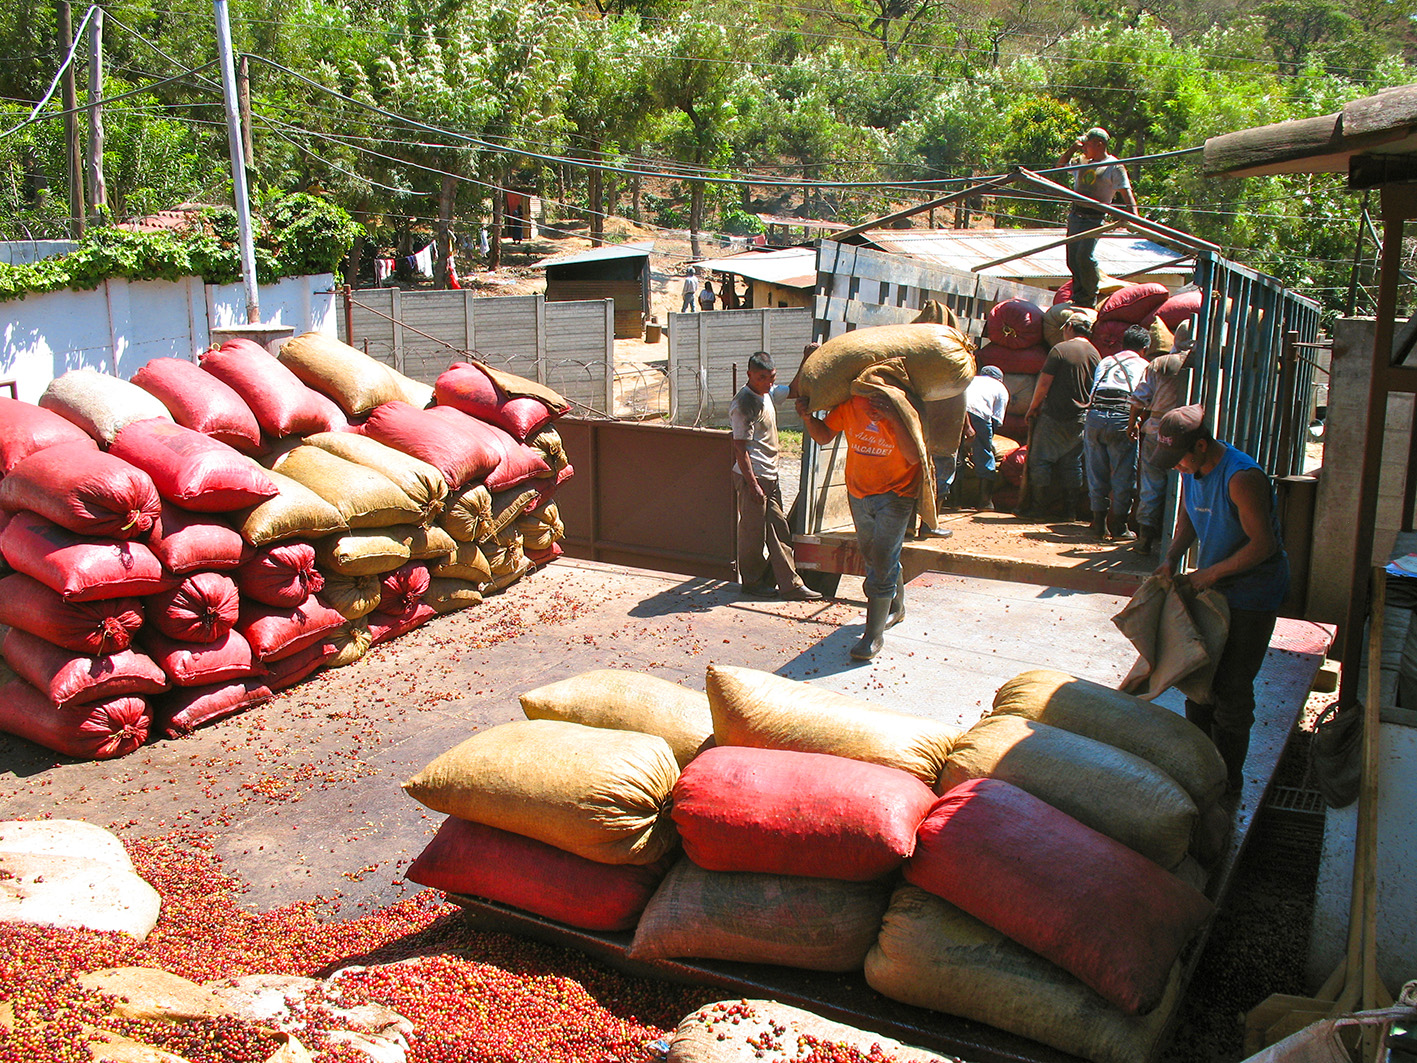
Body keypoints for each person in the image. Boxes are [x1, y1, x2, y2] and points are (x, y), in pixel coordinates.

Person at [1152, 404, 1290, 795]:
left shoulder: (1242, 478)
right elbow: (1188, 519)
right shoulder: (1191, 469)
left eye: (1178, 458)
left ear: (1200, 445)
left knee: (1231, 689)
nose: (1176, 466)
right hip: (1215, 588)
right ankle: (1201, 772)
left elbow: (1264, 546)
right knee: (1199, 681)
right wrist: (1171, 559)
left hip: (1254, 593)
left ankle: (1228, 783)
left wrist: (1208, 574)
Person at [798, 389, 921, 661]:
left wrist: (892, 415)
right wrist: (808, 417)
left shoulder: (902, 405)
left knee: (881, 559)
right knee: (875, 555)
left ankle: (872, 636)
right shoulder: (849, 405)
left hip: (898, 493)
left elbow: (914, 456)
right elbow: (823, 435)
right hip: (859, 491)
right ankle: (896, 607)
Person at [731, 352, 822, 602]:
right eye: (762, 378)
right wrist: (753, 485)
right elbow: (740, 449)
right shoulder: (744, 404)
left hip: (769, 476)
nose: (768, 382)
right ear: (750, 375)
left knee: (778, 529)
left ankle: (790, 584)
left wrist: (806, 359)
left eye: (771, 377)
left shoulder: (768, 393)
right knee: (752, 532)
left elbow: (793, 389)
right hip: (754, 476)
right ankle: (751, 582)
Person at [1022, 313, 1099, 521]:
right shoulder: (1095, 354)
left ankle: (1038, 510)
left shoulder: (1060, 350)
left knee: (1040, 460)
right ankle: (1069, 512)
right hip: (1081, 418)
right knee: (1072, 463)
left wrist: (1033, 408)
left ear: (1070, 326)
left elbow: (1044, 383)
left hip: (1055, 415)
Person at [1128, 320, 1193, 553]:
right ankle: (1177, 542)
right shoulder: (1204, 363)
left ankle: (1145, 538)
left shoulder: (1159, 363)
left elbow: (1139, 398)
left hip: (1157, 429)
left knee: (1151, 484)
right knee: (1187, 487)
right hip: (1189, 435)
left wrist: (1131, 423)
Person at [1056, 128, 1139, 309]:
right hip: (1075, 215)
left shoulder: (1113, 166)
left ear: (1099, 145)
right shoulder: (1083, 162)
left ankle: (1089, 295)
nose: (1083, 148)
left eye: (1087, 144)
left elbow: (1126, 192)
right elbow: (1060, 166)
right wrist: (1071, 150)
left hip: (1094, 218)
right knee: (1072, 259)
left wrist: (1135, 218)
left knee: (1085, 256)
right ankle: (1079, 296)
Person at [1084, 323, 1150, 540]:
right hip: (1122, 418)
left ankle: (1098, 524)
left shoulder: (1106, 361)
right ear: (1144, 348)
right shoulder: (1144, 365)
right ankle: (1120, 527)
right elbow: (1141, 399)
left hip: (1094, 416)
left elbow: (1094, 390)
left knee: (1096, 472)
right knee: (1123, 474)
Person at [962, 365, 1010, 511]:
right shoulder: (1000, 388)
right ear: (1000, 379)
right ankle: (985, 502)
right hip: (978, 416)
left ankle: (955, 500)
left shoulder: (971, 380)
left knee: (955, 455)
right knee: (985, 455)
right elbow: (996, 419)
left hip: (958, 412)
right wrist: (984, 441)